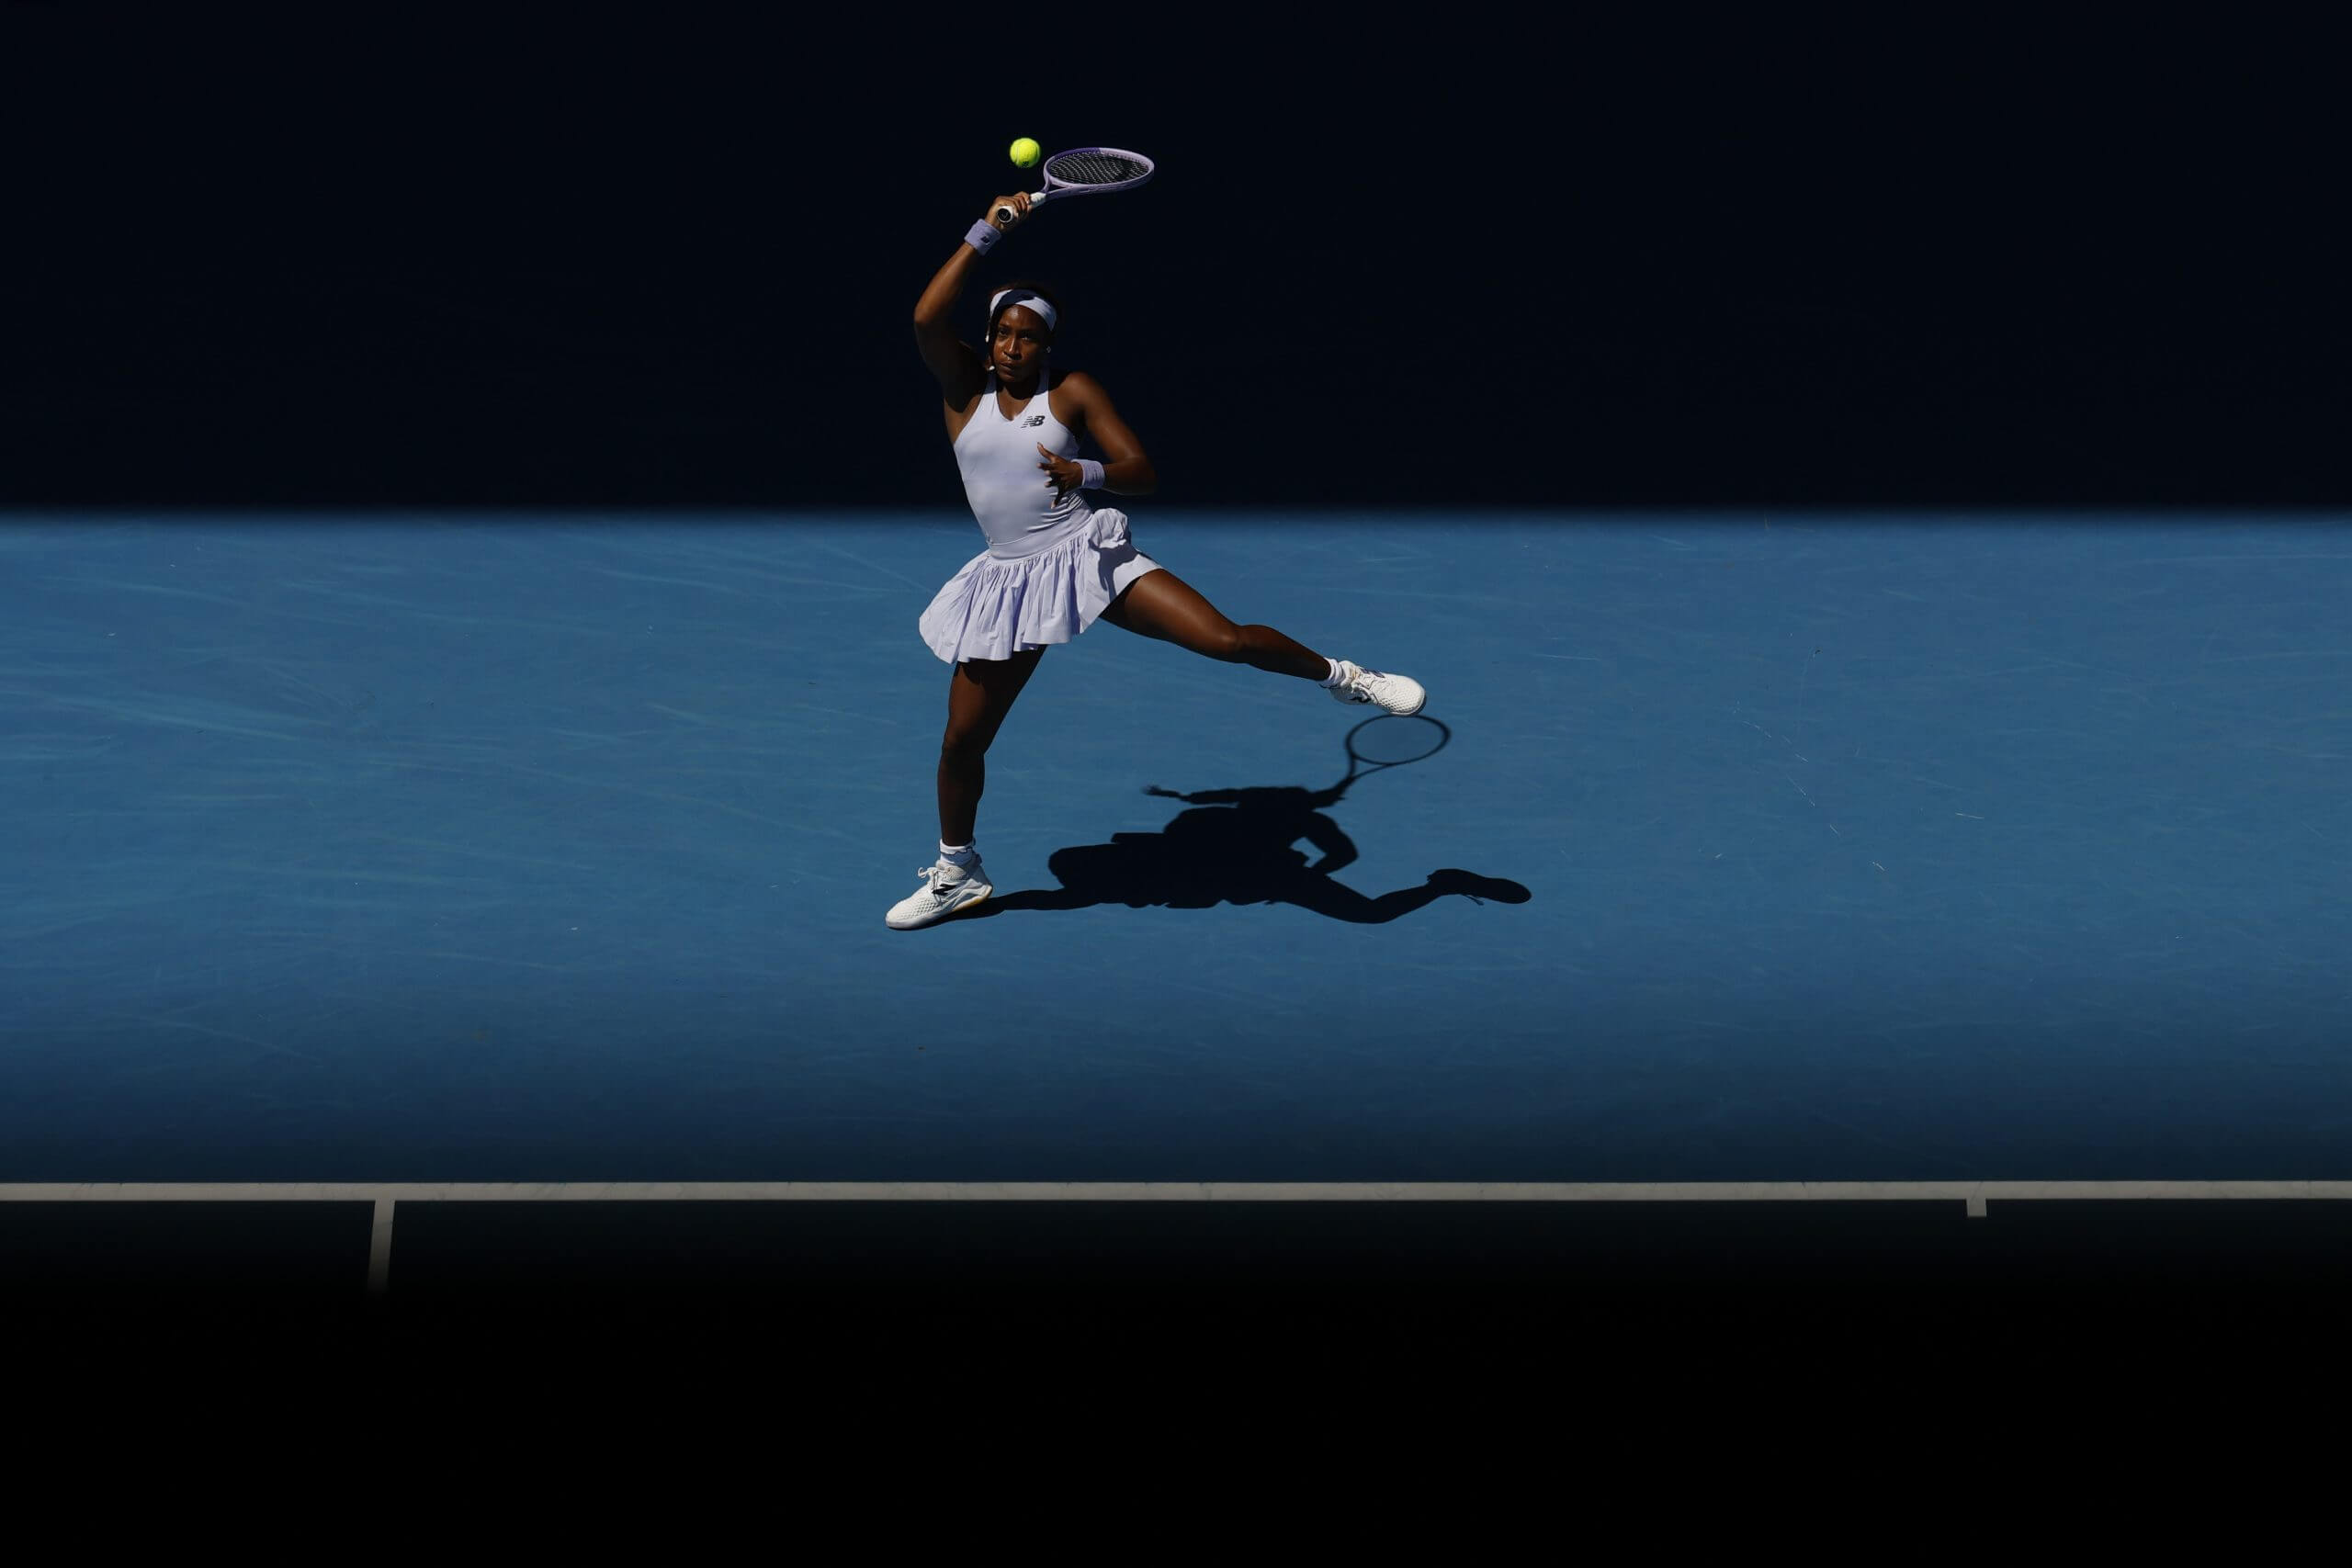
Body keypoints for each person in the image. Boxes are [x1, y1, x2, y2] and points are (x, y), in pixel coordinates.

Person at [888, 188, 1427, 931]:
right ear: (988, 338)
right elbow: (925, 317)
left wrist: (1086, 472)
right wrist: (988, 230)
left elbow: (1141, 470)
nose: (1012, 347)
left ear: (1048, 346)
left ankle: (1346, 678)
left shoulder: (1073, 392)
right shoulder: (962, 388)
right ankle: (958, 871)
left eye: (1028, 337)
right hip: (1010, 580)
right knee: (962, 739)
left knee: (1226, 640)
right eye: (1002, 333)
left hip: (1085, 555)